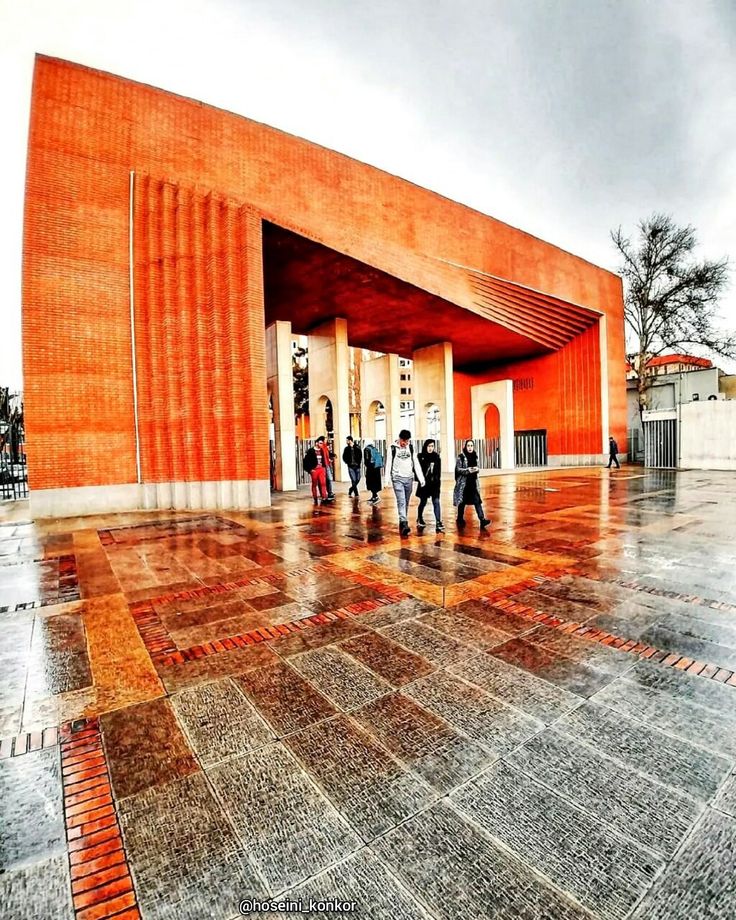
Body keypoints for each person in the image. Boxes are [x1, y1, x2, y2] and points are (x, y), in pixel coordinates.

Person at [388, 429, 425, 537]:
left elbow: (416, 463)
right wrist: (386, 480)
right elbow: (389, 463)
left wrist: (421, 478)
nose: (405, 443)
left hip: (409, 478)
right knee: (401, 501)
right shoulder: (393, 448)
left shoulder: (411, 448)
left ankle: (402, 520)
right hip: (397, 478)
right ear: (399, 439)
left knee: (406, 501)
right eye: (404, 441)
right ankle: (404, 523)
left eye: (407, 441)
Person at [454, 439, 491, 529]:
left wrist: (476, 469)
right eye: (468, 446)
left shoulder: (475, 456)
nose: (470, 448)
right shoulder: (461, 457)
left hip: (473, 483)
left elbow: (477, 466)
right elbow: (457, 469)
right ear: (465, 446)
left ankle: (482, 520)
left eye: (471, 446)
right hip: (464, 484)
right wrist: (467, 470)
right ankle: (459, 518)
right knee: (462, 502)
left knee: (477, 501)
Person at [416, 439, 444, 533]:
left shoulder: (436, 457)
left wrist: (438, 482)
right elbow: (417, 470)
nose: (430, 448)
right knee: (423, 502)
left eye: (432, 446)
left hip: (434, 484)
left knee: (436, 501)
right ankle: (419, 517)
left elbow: (438, 472)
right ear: (425, 446)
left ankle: (438, 522)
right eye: (429, 446)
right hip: (424, 484)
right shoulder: (421, 456)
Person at [303, 442, 328, 506]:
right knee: (314, 484)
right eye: (320, 443)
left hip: (321, 469)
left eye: (322, 443)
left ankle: (324, 497)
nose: (321, 445)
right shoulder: (311, 451)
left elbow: (326, 457)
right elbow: (306, 461)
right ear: (317, 443)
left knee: (323, 483)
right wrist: (310, 469)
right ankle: (315, 497)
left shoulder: (322, 450)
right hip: (314, 469)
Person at [363, 439, 383, 504]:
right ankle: (374, 496)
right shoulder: (374, 448)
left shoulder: (366, 449)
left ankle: (375, 497)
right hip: (376, 467)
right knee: (375, 482)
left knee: (370, 482)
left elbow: (367, 459)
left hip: (371, 468)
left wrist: (367, 465)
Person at [315, 436, 335, 500]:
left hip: (327, 465)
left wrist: (330, 458)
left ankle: (330, 492)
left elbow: (327, 454)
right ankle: (323, 493)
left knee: (329, 479)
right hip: (322, 466)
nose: (326, 440)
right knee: (322, 480)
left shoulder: (326, 447)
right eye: (325, 439)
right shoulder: (321, 447)